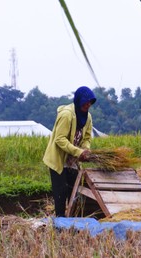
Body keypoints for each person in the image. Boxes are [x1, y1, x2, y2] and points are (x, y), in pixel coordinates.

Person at [43, 86, 96, 217]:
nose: (88, 104)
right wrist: (78, 152)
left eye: (90, 102)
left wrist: (85, 149)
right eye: (85, 101)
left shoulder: (87, 117)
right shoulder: (66, 115)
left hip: (73, 161)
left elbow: (87, 137)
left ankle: (73, 224)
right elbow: (59, 139)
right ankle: (60, 225)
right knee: (61, 193)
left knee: (75, 192)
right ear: (78, 101)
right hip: (59, 160)